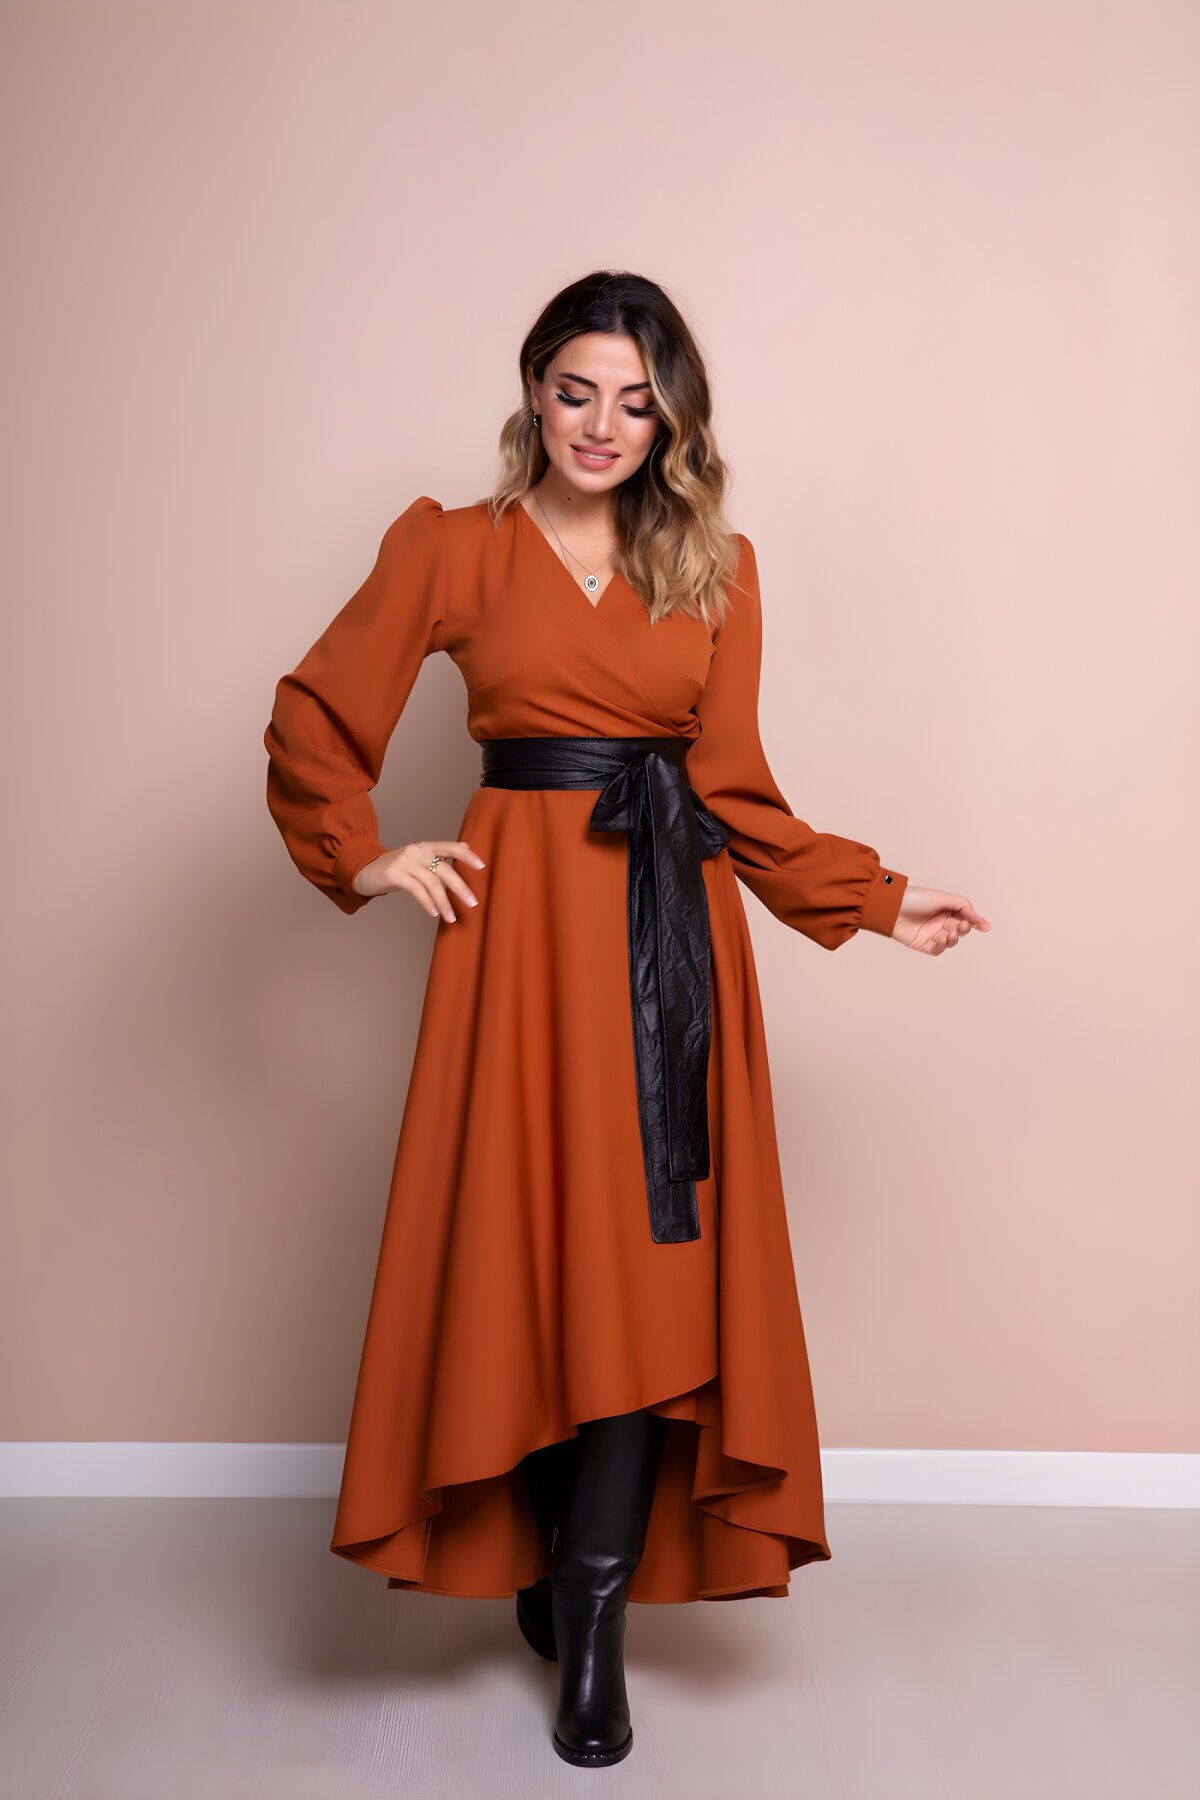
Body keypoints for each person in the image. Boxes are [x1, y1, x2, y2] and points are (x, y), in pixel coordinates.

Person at [263, 269, 990, 1769]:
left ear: (673, 420)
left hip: (672, 944)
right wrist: (366, 854)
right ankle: (545, 1553)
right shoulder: (450, 546)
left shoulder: (717, 571)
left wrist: (875, 897)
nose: (601, 424)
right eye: (576, 391)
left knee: (655, 1271)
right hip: (515, 946)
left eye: (636, 401)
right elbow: (318, 714)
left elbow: (733, 792)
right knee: (527, 1249)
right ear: (535, 392)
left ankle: (592, 1609)